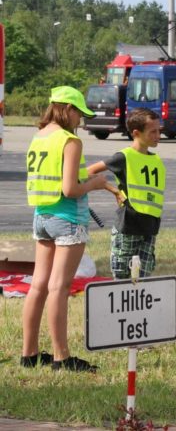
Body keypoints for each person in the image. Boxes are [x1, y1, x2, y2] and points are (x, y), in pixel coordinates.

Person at [22, 86, 116, 372]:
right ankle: (62, 358)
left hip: (42, 215)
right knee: (59, 287)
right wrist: (96, 184)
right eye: (80, 114)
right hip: (68, 219)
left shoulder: (39, 137)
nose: (81, 121)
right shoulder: (70, 141)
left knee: (38, 285)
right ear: (68, 110)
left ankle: (29, 354)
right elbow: (71, 189)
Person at [87, 108, 165, 279]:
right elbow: (88, 172)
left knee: (143, 277)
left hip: (150, 227)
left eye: (159, 131)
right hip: (129, 224)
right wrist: (112, 189)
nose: (158, 135)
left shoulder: (156, 160)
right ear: (136, 133)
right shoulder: (123, 157)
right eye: (153, 131)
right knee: (122, 275)